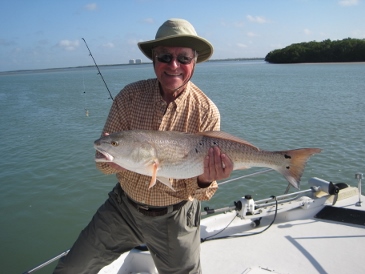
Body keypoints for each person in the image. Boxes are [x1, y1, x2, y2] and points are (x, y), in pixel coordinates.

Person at [54, 18, 233, 274]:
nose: (174, 65)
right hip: (122, 208)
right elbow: (103, 161)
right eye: (164, 56)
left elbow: (202, 192)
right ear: (153, 58)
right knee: (70, 269)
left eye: (183, 58)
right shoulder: (129, 97)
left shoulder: (206, 112)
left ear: (194, 62)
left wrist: (205, 179)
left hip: (175, 217)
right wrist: (107, 159)